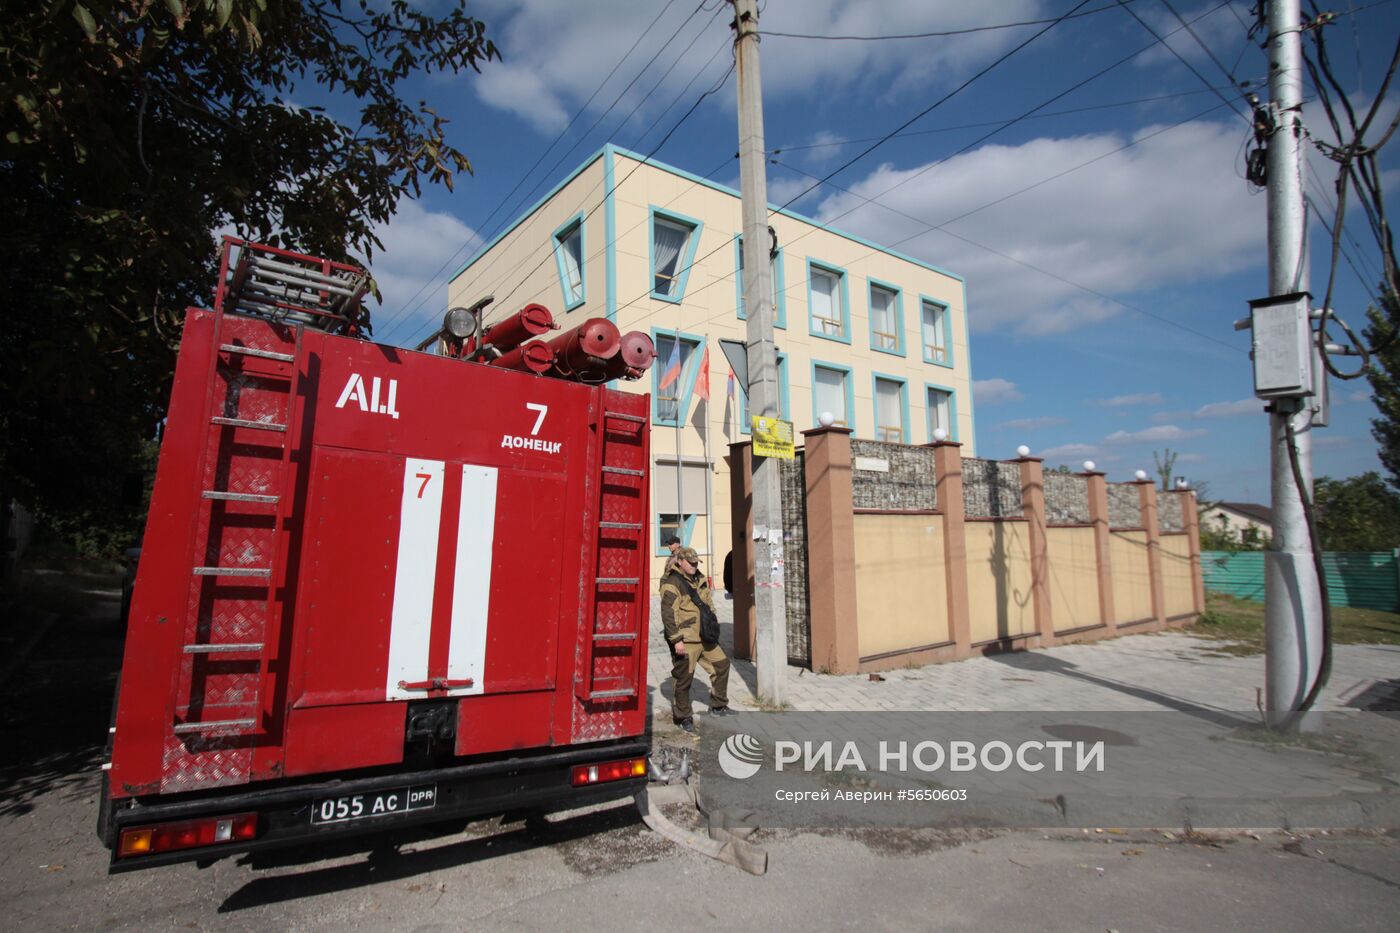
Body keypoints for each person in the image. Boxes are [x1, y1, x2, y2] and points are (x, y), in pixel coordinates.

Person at [659, 546, 733, 731]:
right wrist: (677, 640)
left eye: (695, 562)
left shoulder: (699, 578)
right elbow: (668, 615)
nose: (693, 565)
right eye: (690, 563)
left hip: (705, 636)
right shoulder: (672, 582)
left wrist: (712, 621)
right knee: (684, 679)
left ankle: (718, 705)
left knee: (722, 664)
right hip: (686, 640)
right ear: (680, 562)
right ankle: (683, 717)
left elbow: (708, 603)